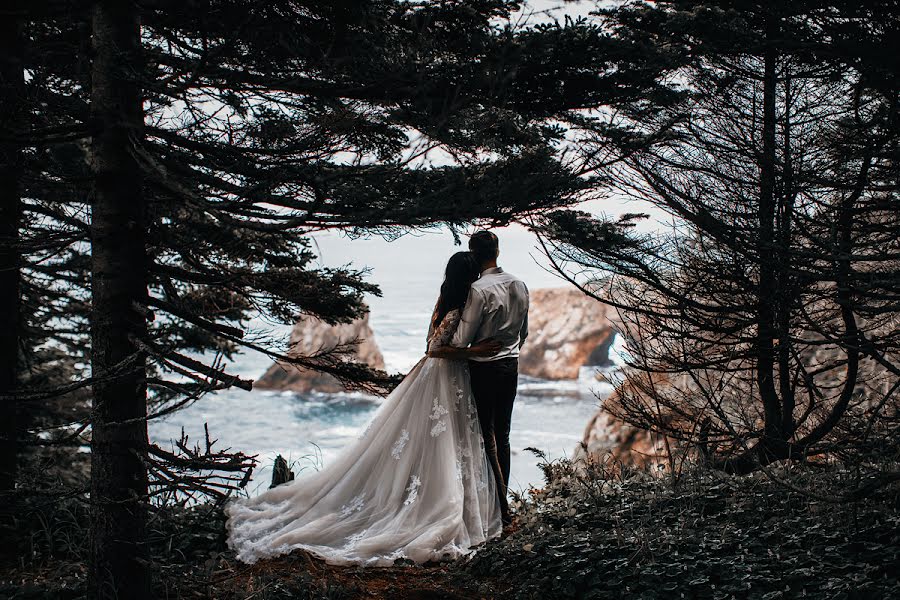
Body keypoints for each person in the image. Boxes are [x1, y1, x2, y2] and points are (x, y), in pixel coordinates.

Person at [226, 251, 504, 566]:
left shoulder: (445, 300)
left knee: (433, 442)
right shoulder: (457, 306)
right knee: (439, 441)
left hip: (440, 376)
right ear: (469, 276)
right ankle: (431, 505)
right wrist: (474, 350)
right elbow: (435, 348)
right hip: (445, 374)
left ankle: (426, 497)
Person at [435, 230, 529, 528]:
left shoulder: (478, 289)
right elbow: (523, 333)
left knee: (487, 438)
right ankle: (502, 504)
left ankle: (500, 510)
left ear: (473, 252)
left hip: (484, 368)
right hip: (510, 366)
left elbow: (461, 339)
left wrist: (477, 347)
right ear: (498, 251)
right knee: (503, 436)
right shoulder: (520, 284)